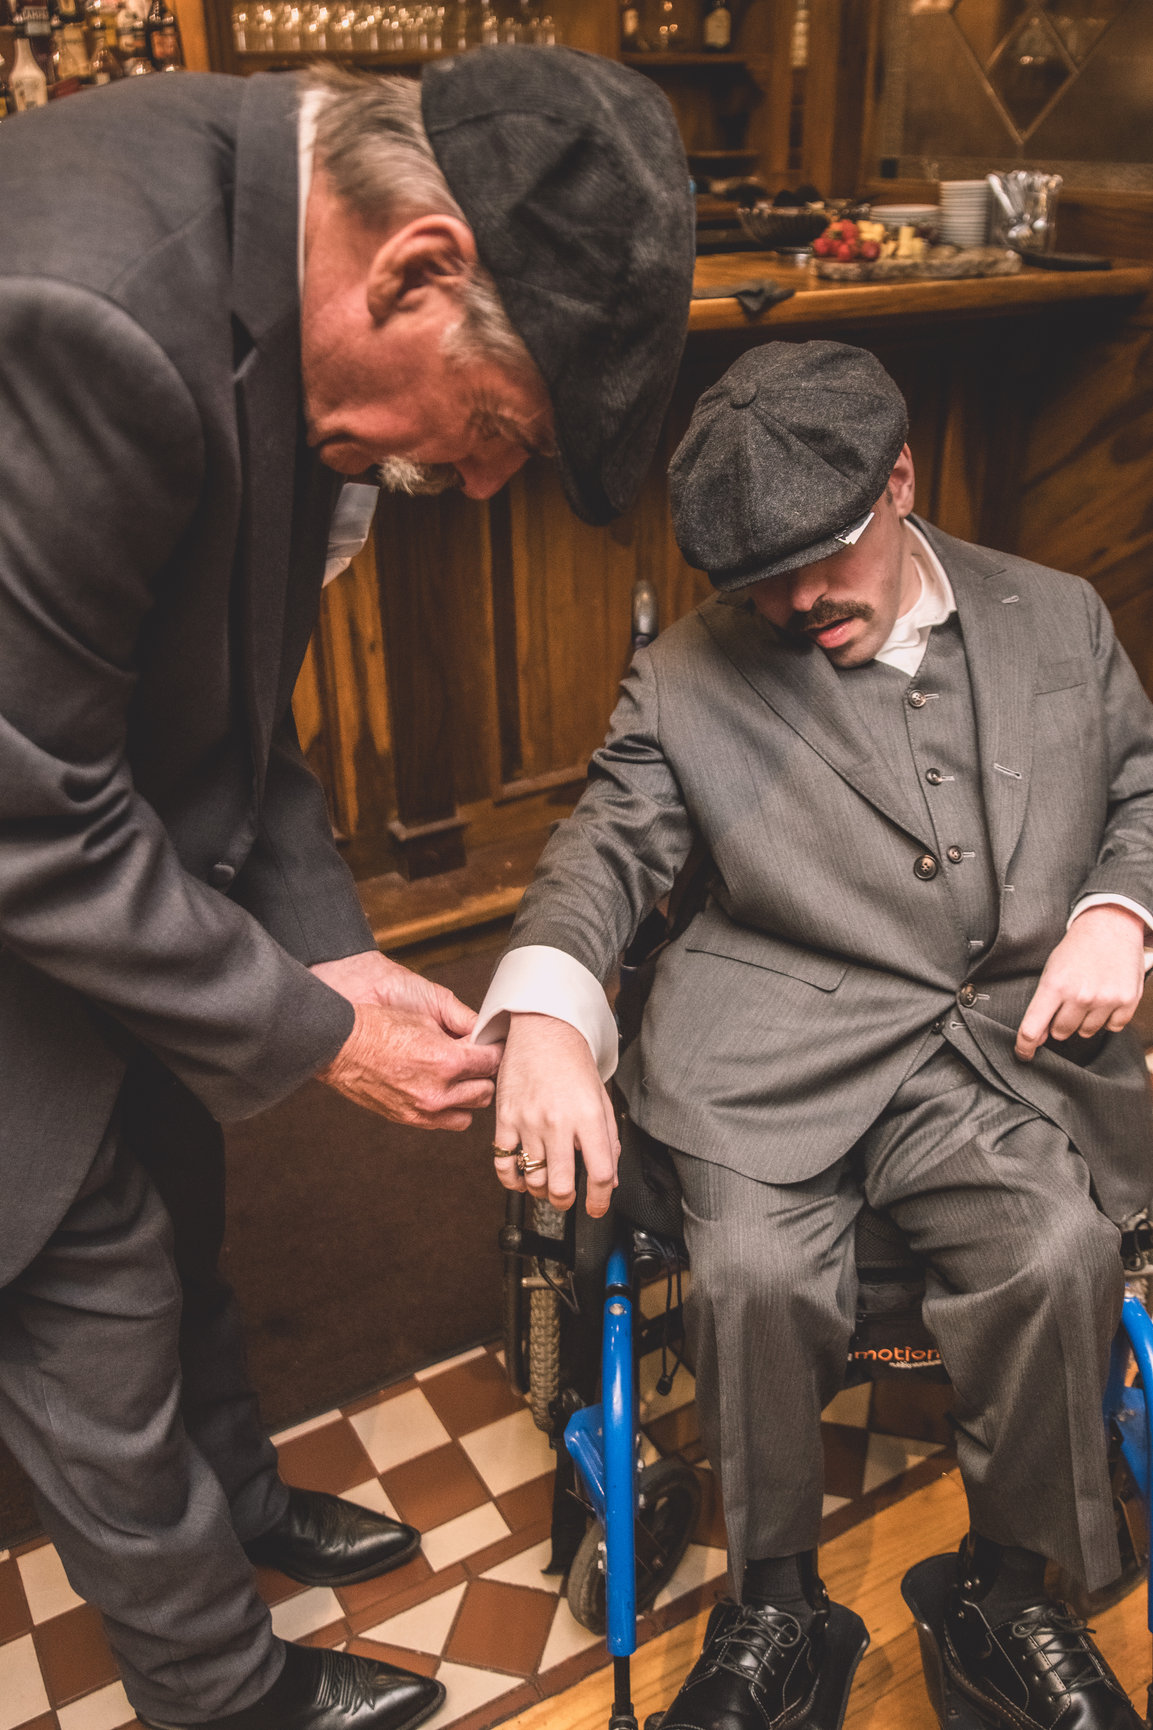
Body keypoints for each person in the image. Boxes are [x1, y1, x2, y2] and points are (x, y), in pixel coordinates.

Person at [0, 47, 694, 1730]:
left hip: (93, 841)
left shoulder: (288, 273)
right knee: (85, 1284)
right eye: (493, 434)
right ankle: (219, 1689)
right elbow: (24, 810)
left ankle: (243, 1501)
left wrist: (333, 953)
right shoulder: (81, 314)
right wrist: (312, 1032)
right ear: (417, 269)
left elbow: (235, 711)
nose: (469, 482)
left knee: (176, 1187)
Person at [477, 341, 1153, 1730]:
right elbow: (603, 845)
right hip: (766, 1053)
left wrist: (1116, 910)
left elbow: (1142, 781)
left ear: (898, 479)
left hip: (990, 1064)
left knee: (1056, 1252)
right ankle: (773, 1606)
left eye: (818, 562)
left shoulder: (1060, 615)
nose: (792, 604)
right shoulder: (686, 677)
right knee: (752, 1272)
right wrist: (546, 1008)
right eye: (754, 580)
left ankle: (1001, 1593)